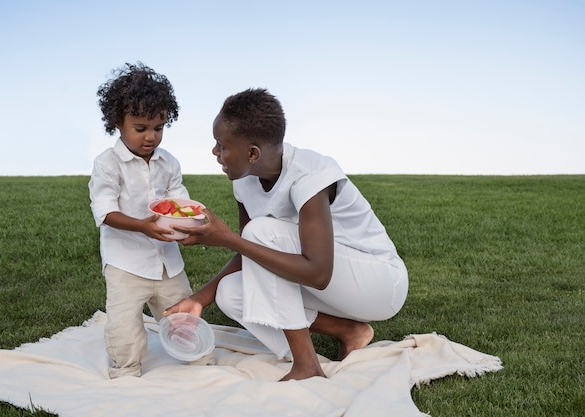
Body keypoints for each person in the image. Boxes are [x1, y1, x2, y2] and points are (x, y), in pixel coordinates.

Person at [164, 88, 408, 381]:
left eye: (221, 146)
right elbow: (250, 253)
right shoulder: (245, 181)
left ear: (252, 153)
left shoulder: (311, 175)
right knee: (231, 293)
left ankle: (307, 366)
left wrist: (227, 238)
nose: (215, 153)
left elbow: (318, 273)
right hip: (333, 284)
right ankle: (349, 331)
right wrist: (200, 299)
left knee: (260, 232)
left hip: (379, 284)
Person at [89, 62, 193, 378]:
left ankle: (196, 358)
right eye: (141, 128)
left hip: (167, 261)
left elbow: (180, 202)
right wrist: (143, 225)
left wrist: (189, 223)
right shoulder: (108, 164)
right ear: (117, 123)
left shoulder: (168, 162)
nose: (151, 137)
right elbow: (105, 211)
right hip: (126, 263)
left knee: (182, 314)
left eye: (159, 127)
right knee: (124, 322)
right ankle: (126, 369)